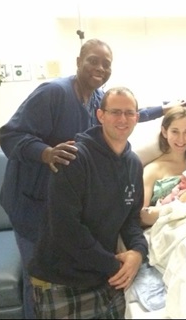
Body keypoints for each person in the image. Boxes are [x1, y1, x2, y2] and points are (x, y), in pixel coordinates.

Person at [0, 38, 186, 318]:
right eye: (93, 60)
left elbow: (124, 114)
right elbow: (9, 135)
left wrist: (163, 109)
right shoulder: (54, 93)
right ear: (78, 62)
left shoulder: (100, 102)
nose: (100, 68)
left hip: (68, 204)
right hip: (32, 203)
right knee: (39, 275)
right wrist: (46, 153)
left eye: (106, 64)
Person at [27, 86, 147, 319]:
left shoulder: (133, 164)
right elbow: (66, 229)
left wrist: (138, 253)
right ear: (100, 116)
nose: (122, 119)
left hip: (104, 275)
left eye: (129, 113)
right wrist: (114, 265)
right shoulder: (74, 158)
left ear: (137, 117)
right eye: (115, 112)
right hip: (61, 278)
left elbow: (131, 219)